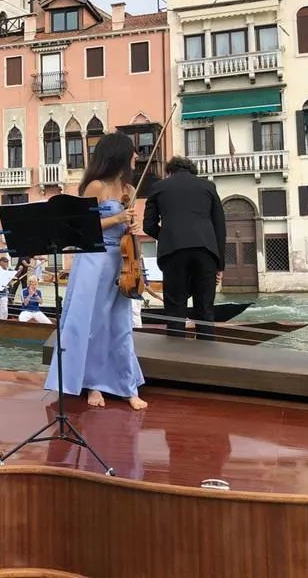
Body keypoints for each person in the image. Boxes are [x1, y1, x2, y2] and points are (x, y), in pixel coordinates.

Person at [44, 132, 147, 410]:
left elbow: (127, 226)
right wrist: (118, 218)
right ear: (119, 154)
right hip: (93, 259)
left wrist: (133, 226)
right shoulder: (95, 186)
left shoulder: (129, 189)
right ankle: (92, 384)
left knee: (120, 325)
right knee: (91, 323)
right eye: (132, 151)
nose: (136, 156)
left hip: (121, 260)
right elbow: (81, 228)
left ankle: (127, 386)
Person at [143, 156, 226, 340]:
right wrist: (220, 265)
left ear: (169, 171)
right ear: (192, 171)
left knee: (175, 308)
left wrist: (168, 237)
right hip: (205, 251)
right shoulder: (208, 187)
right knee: (205, 308)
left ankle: (177, 352)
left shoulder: (159, 187)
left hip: (173, 252)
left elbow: (148, 226)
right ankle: (207, 350)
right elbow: (219, 227)